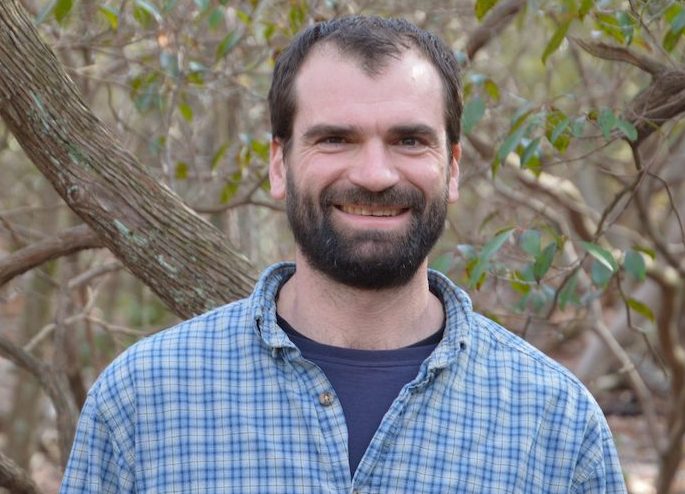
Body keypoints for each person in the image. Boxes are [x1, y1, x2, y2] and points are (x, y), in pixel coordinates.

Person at [60, 16, 627, 493]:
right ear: (279, 165)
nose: (375, 175)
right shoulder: (140, 400)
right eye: (335, 139)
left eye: (408, 140)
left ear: (452, 167)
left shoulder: (557, 424)